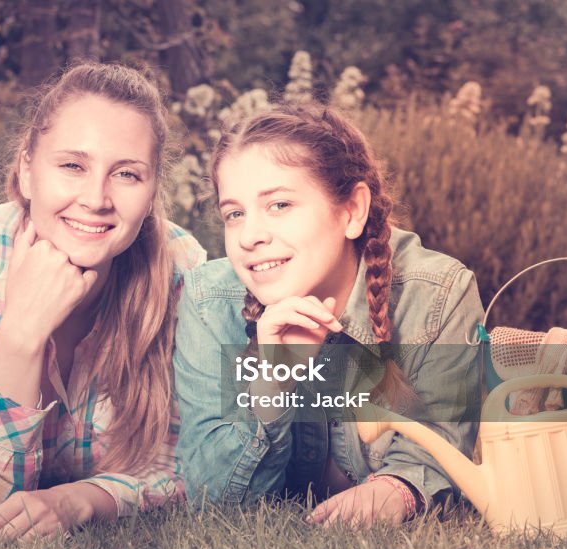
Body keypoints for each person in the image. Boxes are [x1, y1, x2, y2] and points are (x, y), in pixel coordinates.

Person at [0, 62, 206, 542]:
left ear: (150, 195)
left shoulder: (181, 268)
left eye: (126, 174)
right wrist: (22, 334)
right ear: (26, 170)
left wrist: (79, 500)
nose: (96, 198)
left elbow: (196, 461)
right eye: (72, 166)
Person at [174, 103, 483, 527]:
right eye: (235, 214)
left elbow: (441, 445)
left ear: (352, 210)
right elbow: (216, 500)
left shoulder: (436, 294)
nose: (250, 236)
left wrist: (396, 490)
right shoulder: (211, 301)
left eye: (279, 205)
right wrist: (272, 378)